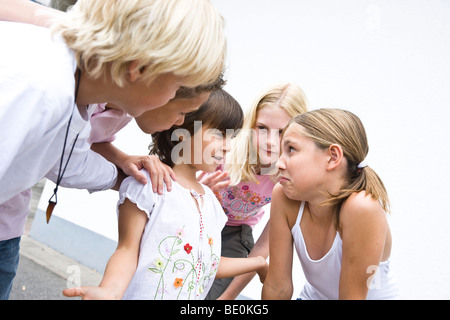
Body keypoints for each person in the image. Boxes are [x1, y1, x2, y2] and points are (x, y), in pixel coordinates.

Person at [0, 0, 226, 299]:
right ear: (141, 68)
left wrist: (126, 176)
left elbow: (71, 160)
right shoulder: (42, 88)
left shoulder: (71, 91)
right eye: (177, 85)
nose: (175, 98)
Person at [63, 89, 267, 300]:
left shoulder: (211, 203)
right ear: (182, 129)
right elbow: (126, 250)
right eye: (219, 135)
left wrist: (257, 262)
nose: (228, 148)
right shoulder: (149, 185)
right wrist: (109, 291)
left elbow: (207, 262)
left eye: (231, 138)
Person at [262, 108, 400, 300]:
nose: (279, 163)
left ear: (333, 157)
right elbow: (278, 287)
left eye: (291, 149)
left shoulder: (361, 208)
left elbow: (351, 297)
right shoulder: (284, 196)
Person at [202, 83, 309, 299]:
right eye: (262, 128)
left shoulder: (290, 179)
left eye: (282, 132)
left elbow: (262, 249)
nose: (270, 141)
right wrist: (203, 195)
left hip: (236, 232)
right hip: (201, 218)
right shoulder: (227, 149)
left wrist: (227, 297)